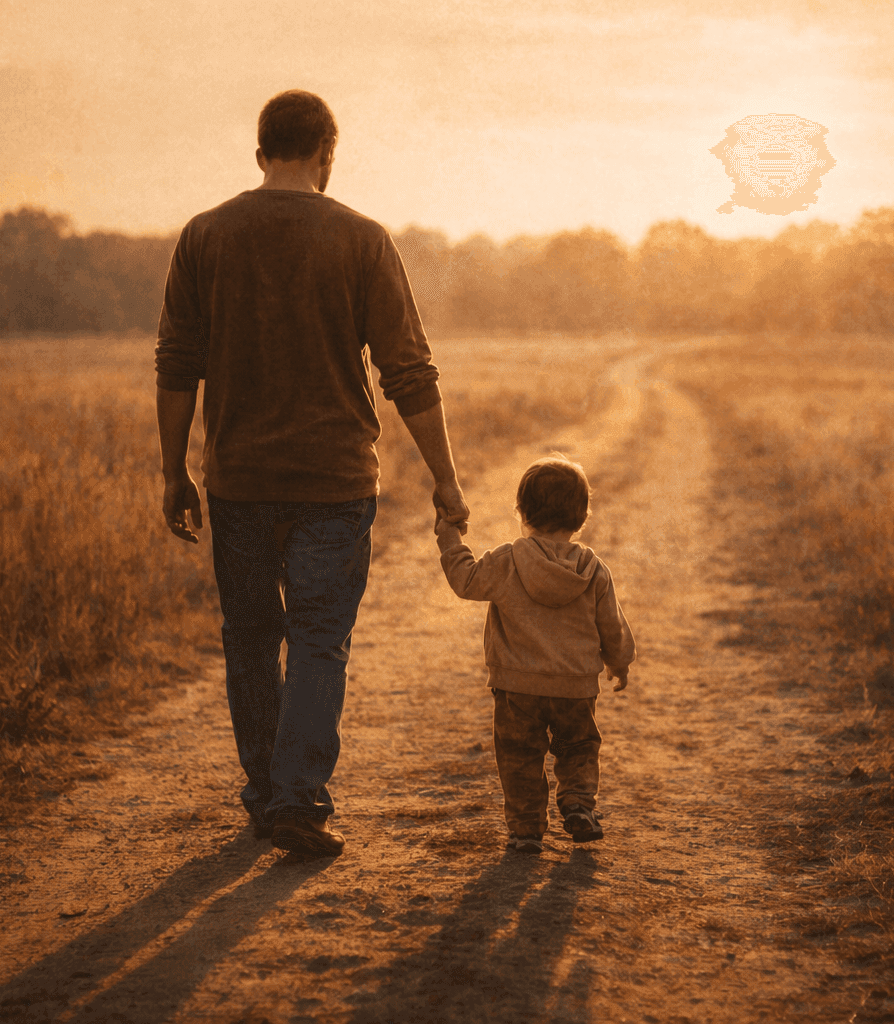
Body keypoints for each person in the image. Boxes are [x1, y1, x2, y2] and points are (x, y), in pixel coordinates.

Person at [154, 89, 469, 859]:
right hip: (335, 481)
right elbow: (409, 372)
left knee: (252, 639)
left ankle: (266, 791)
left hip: (239, 480)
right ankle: (298, 799)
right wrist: (446, 479)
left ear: (261, 153)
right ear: (328, 153)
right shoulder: (363, 240)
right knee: (320, 642)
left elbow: (176, 366)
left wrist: (173, 472)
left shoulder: (205, 235)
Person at [434, 456, 635, 853]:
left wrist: (450, 538)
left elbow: (466, 580)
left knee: (520, 756)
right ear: (581, 517)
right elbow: (611, 625)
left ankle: (526, 831)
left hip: (516, 687)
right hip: (575, 688)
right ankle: (578, 802)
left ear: (522, 512)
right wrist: (619, 660)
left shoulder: (509, 560)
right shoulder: (593, 570)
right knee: (578, 747)